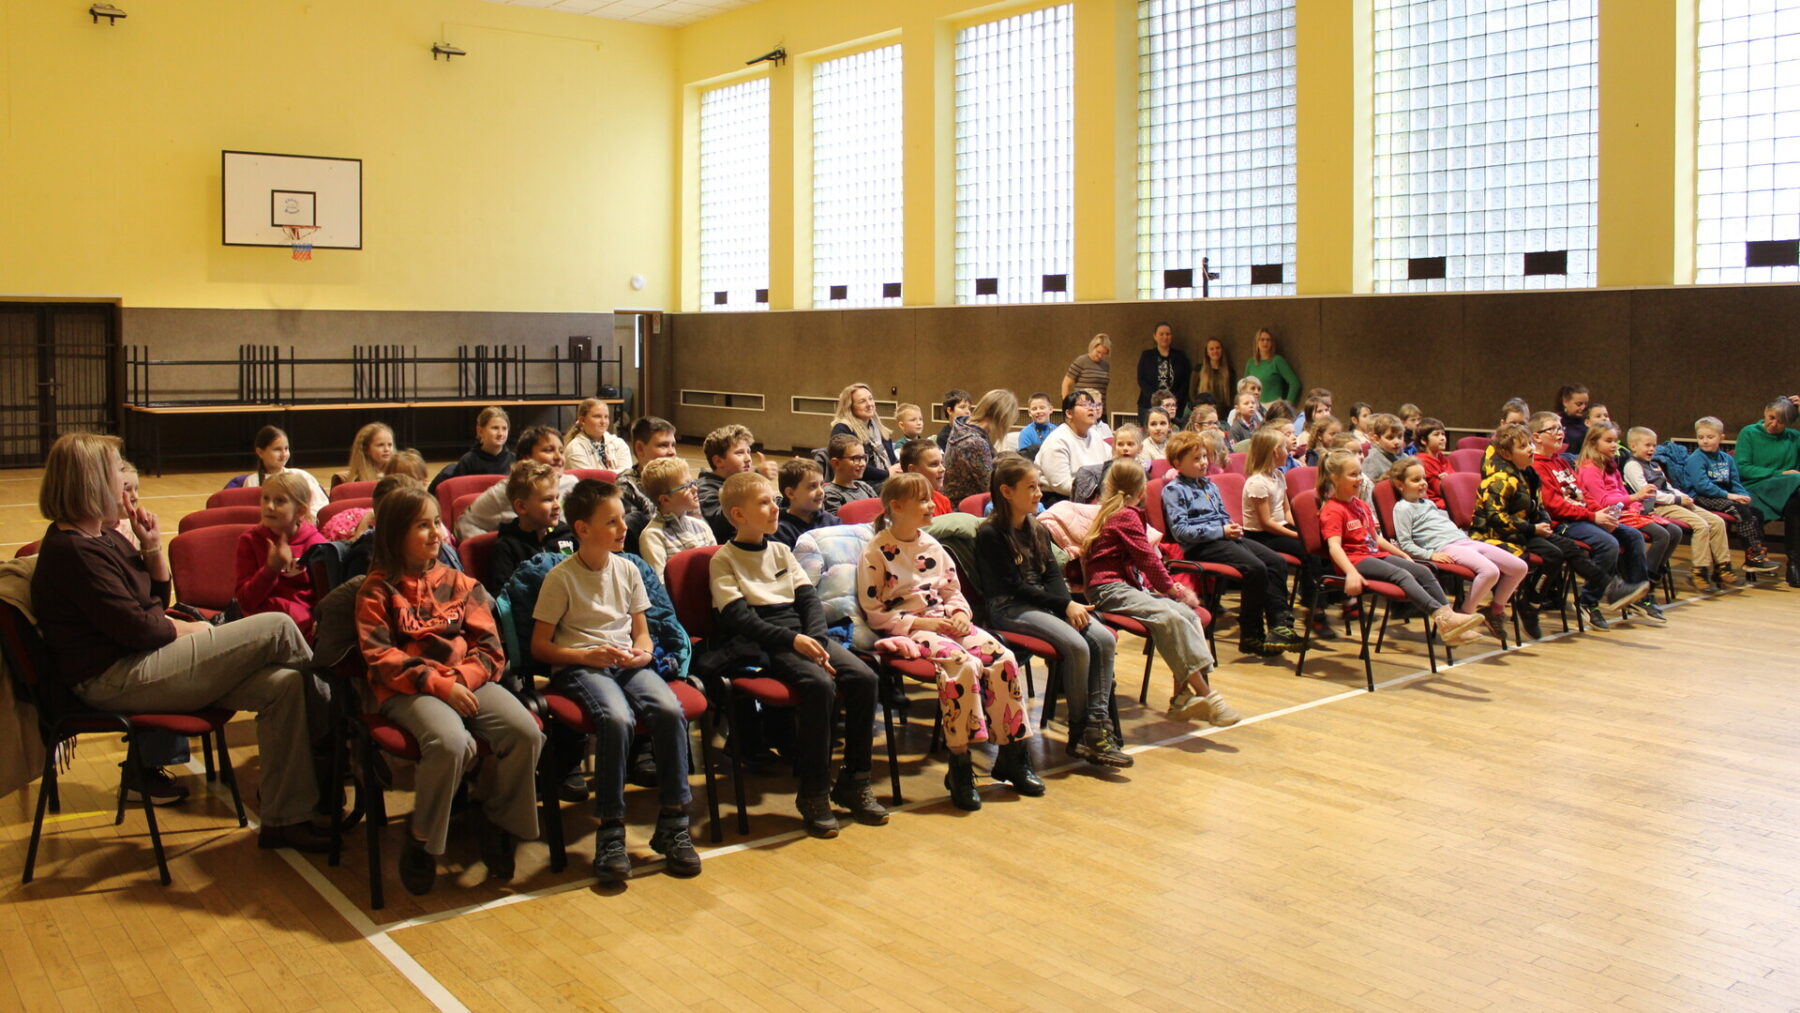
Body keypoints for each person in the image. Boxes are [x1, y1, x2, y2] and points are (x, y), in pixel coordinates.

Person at [32, 433, 328, 847]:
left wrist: (152, 549)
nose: (125, 479)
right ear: (92, 480)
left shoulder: (103, 536)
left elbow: (152, 604)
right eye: (117, 470)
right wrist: (189, 629)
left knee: (285, 685)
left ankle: (286, 818)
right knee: (278, 626)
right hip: (113, 678)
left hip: (142, 659)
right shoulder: (73, 551)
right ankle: (335, 735)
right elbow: (140, 629)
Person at [530, 479, 696, 882]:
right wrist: (584, 656)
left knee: (669, 710)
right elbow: (540, 647)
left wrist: (642, 653)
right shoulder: (561, 578)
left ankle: (674, 822)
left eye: (623, 519)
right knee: (616, 718)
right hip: (581, 666)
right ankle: (610, 830)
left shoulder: (628, 568)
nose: (624, 528)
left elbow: (642, 633)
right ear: (583, 529)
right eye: (612, 522)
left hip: (625, 663)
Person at [712, 472, 887, 836]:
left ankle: (855, 779)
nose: (775, 508)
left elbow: (808, 600)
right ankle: (813, 791)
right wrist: (795, 642)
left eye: (774, 501)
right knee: (819, 686)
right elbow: (740, 618)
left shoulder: (779, 550)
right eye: (764, 503)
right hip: (767, 642)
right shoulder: (723, 559)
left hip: (805, 634)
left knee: (865, 678)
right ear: (738, 515)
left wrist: (817, 641)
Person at [858, 473, 1039, 812]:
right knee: (962, 665)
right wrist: (923, 622)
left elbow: (952, 591)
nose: (931, 505)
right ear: (897, 507)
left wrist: (959, 614)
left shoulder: (932, 545)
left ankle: (1013, 755)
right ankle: (960, 764)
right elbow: (875, 612)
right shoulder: (876, 552)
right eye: (922, 500)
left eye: (930, 498)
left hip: (945, 621)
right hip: (913, 629)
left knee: (1002, 658)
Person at [976, 458, 1128, 767]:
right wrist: (1063, 605)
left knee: (1103, 638)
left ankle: (1097, 725)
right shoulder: (990, 533)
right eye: (1031, 487)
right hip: (1009, 606)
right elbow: (1013, 586)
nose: (1039, 493)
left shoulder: (1036, 528)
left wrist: (1068, 606)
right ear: (1006, 491)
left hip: (1043, 603)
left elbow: (1052, 575)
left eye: (1038, 486)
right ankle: (1078, 733)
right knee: (1076, 645)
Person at [1082, 459, 1240, 725]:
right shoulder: (1125, 515)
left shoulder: (1119, 512)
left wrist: (1169, 589)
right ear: (1142, 489)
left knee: (1188, 615)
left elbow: (1143, 563)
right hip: (1108, 588)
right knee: (1170, 618)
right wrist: (1171, 589)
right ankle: (1209, 697)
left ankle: (1181, 699)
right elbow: (1148, 560)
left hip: (1125, 586)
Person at [1316, 451, 1489, 647]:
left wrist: (1401, 553)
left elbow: (1375, 538)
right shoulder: (1332, 510)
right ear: (1334, 478)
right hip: (1355, 560)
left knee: (1423, 571)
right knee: (1401, 575)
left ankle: (1450, 625)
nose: (1360, 479)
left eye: (1360, 473)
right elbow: (1334, 547)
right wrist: (1350, 572)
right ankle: (1443, 617)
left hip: (1373, 554)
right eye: (1353, 475)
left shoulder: (1360, 504)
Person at [1160, 429, 1299, 656]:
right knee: (1255, 568)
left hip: (1225, 538)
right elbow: (1181, 532)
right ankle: (1251, 634)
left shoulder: (1209, 485)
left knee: (1276, 562)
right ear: (1177, 463)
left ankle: (1280, 625)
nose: (1204, 462)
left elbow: (1223, 515)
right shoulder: (1174, 490)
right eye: (1196, 459)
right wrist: (1221, 531)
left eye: (1204, 457)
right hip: (1201, 546)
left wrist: (1231, 528)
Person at [1528, 412, 1651, 628]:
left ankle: (1635, 597)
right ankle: (1588, 601)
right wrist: (1593, 516)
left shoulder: (1561, 462)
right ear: (1537, 436)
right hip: (1562, 524)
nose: (1560, 433)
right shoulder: (1536, 466)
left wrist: (1601, 514)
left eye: (1561, 428)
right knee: (1608, 544)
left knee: (1632, 535)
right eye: (1553, 429)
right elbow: (1554, 506)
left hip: (1584, 517)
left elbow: (1583, 494)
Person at [1468, 424, 1584, 640]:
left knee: (1560, 552)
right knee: (1524, 562)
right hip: (1491, 535)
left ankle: (1518, 606)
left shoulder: (1528, 474)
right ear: (1506, 454)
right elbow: (1496, 518)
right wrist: (1532, 529)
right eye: (1523, 446)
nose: (1531, 448)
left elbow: (1538, 506)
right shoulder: (1499, 479)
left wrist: (1543, 522)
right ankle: (1469, 613)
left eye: (1530, 444)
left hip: (1519, 532)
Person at [1388, 457, 1528, 633]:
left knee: (1520, 567)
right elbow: (1405, 543)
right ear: (1400, 485)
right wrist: (1430, 555)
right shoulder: (1402, 508)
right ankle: (1463, 615)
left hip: (1465, 541)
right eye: (1416, 480)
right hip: (1446, 547)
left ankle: (1495, 610)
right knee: (1490, 572)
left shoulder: (1428, 503)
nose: (1423, 483)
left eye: (1424, 478)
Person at [1575, 424, 1677, 620]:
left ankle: (1640, 590)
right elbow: (1603, 501)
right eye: (1609, 441)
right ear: (1593, 443)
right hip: (1603, 515)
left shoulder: (1611, 465)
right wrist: (1635, 497)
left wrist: (1636, 504)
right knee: (1649, 535)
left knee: (1670, 532)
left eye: (1615, 441)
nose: (1614, 445)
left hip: (1621, 511)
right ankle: (1638, 588)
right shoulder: (1589, 469)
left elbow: (1622, 492)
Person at [1241, 425, 1330, 641]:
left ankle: (1314, 603)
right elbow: (1266, 523)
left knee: (1315, 546)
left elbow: (1287, 512)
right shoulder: (1257, 483)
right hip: (1261, 536)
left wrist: (1301, 530)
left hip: (1279, 529)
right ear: (1274, 452)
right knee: (1307, 550)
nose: (1288, 450)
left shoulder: (1279, 475)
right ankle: (1314, 607)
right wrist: (1296, 536)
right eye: (1283, 446)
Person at [1623, 426, 1735, 591]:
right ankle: (1699, 571)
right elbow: (1648, 494)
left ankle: (1722, 568)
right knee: (1701, 525)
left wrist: (1684, 497)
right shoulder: (1632, 466)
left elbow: (1668, 486)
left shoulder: (1654, 464)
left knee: (1717, 522)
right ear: (1633, 446)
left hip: (1673, 501)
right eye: (1647, 445)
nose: (1652, 449)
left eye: (1654, 445)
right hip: (1657, 506)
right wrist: (1676, 499)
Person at [234, 471, 327, 638]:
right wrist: (270, 570)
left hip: (302, 631)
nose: (269, 506)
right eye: (265, 498)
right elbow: (246, 602)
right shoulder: (250, 541)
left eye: (280, 501)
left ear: (300, 510)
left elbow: (324, 600)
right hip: (259, 630)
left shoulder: (316, 545)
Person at [1685, 415, 1781, 576]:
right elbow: (1702, 486)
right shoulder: (1696, 458)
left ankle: (1756, 555)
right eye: (1701, 437)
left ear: (1721, 438)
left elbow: (1735, 482)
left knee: (1757, 513)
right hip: (1701, 497)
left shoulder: (1727, 459)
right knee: (1740, 510)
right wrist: (1730, 496)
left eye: (1710, 437)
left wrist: (1743, 495)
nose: (1705, 441)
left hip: (1722, 496)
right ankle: (1754, 556)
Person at [455, 425, 573, 540]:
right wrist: (493, 546)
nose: (559, 457)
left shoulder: (571, 483)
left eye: (561, 451)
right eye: (548, 450)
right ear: (526, 458)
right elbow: (466, 524)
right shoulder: (506, 490)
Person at [1732, 398, 1800, 587]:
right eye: (1771, 417)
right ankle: (1794, 565)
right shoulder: (1749, 433)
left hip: (1788, 492)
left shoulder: (1794, 437)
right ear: (1765, 412)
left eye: (1781, 421)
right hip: (1756, 488)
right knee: (1797, 487)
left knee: (1797, 499)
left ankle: (1794, 564)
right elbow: (1742, 468)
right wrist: (1780, 473)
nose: (1774, 424)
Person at [487, 460, 577, 594]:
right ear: (521, 506)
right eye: (548, 499)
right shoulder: (507, 546)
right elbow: (503, 596)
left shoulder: (566, 535)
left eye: (557, 498)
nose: (557, 505)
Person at [636, 456, 716, 584]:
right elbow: (661, 583)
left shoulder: (701, 526)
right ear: (665, 500)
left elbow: (718, 567)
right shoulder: (653, 536)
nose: (695, 489)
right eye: (686, 486)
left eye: (693, 482)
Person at [943, 388, 1017, 504]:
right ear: (1002, 419)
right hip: (965, 507)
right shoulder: (975, 442)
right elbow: (990, 487)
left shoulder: (962, 426)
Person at [233, 426, 329, 515]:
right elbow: (250, 514)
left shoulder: (302, 476)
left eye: (286, 449)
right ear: (260, 452)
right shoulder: (252, 481)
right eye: (277, 449)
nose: (283, 454)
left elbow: (321, 506)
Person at [1037, 389, 1111, 501]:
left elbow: (1110, 462)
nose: (1092, 408)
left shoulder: (1094, 435)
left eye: (1093, 405)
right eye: (1084, 405)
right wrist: (1097, 491)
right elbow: (1061, 485)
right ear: (1069, 413)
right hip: (1060, 499)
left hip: (1092, 495)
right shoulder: (1057, 440)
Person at [429, 406, 513, 493]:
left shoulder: (514, 460)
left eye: (504, 428)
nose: (500, 433)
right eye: (495, 428)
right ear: (480, 431)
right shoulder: (468, 461)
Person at [697, 423, 756, 543]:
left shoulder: (739, 484)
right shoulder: (705, 488)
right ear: (718, 461)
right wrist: (753, 491)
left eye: (748, 452)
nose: (748, 459)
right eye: (739, 453)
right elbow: (720, 522)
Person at [830, 383, 897, 487]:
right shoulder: (842, 429)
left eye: (870, 399)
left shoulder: (878, 428)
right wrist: (887, 473)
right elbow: (851, 466)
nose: (869, 404)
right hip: (862, 484)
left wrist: (898, 469)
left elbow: (892, 459)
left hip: (885, 479)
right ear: (850, 406)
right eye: (862, 401)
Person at [774, 458, 839, 547]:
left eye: (821, 485)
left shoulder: (832, 522)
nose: (821, 491)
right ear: (790, 493)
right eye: (812, 486)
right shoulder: (780, 531)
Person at [1136, 322, 1191, 421]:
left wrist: (1173, 399)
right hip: (1148, 404)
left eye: (1168, 334)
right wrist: (1156, 399)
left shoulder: (1180, 356)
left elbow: (1185, 380)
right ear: (1155, 336)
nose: (1165, 337)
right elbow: (1141, 379)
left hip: (1174, 405)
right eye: (1161, 334)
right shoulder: (1147, 355)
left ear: (1171, 336)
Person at [562, 397, 633, 472]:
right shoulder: (575, 448)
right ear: (583, 420)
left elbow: (627, 474)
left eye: (606, 417)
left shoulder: (618, 443)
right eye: (597, 416)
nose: (603, 421)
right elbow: (588, 477)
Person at [822, 433, 878, 514]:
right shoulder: (830, 493)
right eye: (856, 458)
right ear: (836, 463)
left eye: (864, 458)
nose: (863, 463)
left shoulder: (864, 487)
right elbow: (838, 521)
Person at [898, 438, 955, 517]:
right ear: (913, 470)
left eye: (941, 463)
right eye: (934, 464)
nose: (942, 469)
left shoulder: (943, 501)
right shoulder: (900, 505)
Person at [1242, 328, 1299, 404]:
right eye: (1262, 339)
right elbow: (1244, 387)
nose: (1265, 342)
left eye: (1268, 340)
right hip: (1255, 405)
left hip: (1273, 405)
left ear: (1272, 343)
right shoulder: (1250, 363)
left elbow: (1295, 384)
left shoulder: (1277, 361)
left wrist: (1288, 405)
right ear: (1257, 343)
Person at [335, 421, 396, 487]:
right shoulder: (356, 480)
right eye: (380, 445)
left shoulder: (398, 474)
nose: (387, 449)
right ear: (365, 449)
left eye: (390, 445)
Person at [1413, 418, 1452, 508]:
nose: (1442, 438)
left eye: (1443, 434)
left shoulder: (1442, 457)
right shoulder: (1422, 461)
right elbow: (1441, 490)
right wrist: (1449, 480)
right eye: (1436, 434)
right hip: (1434, 504)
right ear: (1423, 440)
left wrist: (1448, 479)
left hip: (1447, 499)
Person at [1061, 333, 1111, 401]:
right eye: (1098, 352)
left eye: (1104, 354)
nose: (1100, 356)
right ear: (1092, 347)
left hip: (1099, 405)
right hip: (1082, 404)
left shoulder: (1105, 365)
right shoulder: (1081, 361)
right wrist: (1066, 403)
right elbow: (1066, 383)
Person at [1361, 413, 1407, 483]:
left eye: (1400, 437)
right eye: (1390, 438)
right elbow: (1367, 487)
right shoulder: (1371, 461)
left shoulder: (1405, 457)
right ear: (1376, 439)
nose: (1397, 442)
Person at [1193, 337, 1234, 409]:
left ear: (1222, 350)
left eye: (1218, 348)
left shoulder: (1230, 371)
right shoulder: (1198, 369)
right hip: (1203, 410)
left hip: (1223, 411)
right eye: (1211, 349)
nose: (1215, 351)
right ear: (1207, 352)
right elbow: (1192, 393)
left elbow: (1232, 395)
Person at [1555, 384, 1591, 454]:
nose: (1583, 407)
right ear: (1565, 402)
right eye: (1579, 404)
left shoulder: (1588, 421)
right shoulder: (1556, 422)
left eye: (1586, 404)